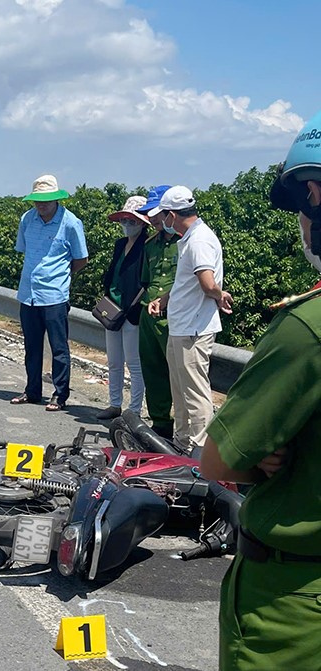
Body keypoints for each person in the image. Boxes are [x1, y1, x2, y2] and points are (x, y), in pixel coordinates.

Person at [200, 110, 321, 671]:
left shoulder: (308, 330)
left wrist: (264, 455)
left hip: (294, 603)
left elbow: (220, 459)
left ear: (315, 194)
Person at [146, 186, 232, 453]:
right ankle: (182, 443)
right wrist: (165, 300)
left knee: (194, 393)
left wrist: (220, 294)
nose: (162, 223)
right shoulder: (191, 238)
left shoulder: (198, 241)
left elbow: (206, 283)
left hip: (194, 328)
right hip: (182, 325)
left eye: (163, 217)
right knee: (181, 391)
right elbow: (187, 283)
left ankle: (200, 448)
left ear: (172, 214)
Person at [11, 175, 88, 411]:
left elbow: (81, 259)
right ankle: (32, 390)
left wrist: (60, 275)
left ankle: (60, 394)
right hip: (29, 293)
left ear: (56, 199)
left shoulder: (71, 223)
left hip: (54, 294)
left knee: (59, 348)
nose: (41, 205)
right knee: (31, 346)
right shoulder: (27, 219)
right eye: (37, 201)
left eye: (46, 200)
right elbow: (23, 249)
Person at [96, 195, 148, 420]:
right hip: (113, 308)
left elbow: (145, 282)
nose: (127, 225)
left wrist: (136, 307)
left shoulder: (147, 246)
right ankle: (114, 404)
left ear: (143, 222)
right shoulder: (119, 245)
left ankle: (134, 410)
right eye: (124, 221)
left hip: (133, 311)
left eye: (132, 221)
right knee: (114, 361)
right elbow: (113, 274)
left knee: (134, 364)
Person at [137, 185, 177, 439]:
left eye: (155, 214)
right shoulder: (151, 245)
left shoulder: (185, 243)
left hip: (174, 316)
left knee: (177, 372)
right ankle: (161, 422)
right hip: (148, 314)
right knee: (152, 370)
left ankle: (184, 426)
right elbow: (146, 281)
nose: (151, 219)